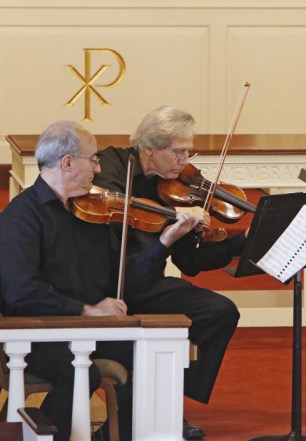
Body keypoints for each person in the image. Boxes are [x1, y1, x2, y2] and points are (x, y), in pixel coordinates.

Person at [0, 121, 201, 441]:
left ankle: (133, 435)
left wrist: (165, 241)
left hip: (87, 328)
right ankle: (45, 434)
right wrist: (86, 309)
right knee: (80, 372)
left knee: (155, 354)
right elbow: (20, 292)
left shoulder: (91, 213)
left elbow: (124, 277)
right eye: (92, 159)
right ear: (67, 162)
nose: (98, 167)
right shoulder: (21, 217)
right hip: (38, 330)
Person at [93, 106, 243, 440]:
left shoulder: (176, 185)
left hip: (148, 282)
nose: (185, 160)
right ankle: (148, 412)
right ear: (148, 148)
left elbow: (190, 262)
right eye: (178, 151)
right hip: (112, 284)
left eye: (189, 151)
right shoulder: (111, 170)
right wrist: (170, 225)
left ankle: (167, 401)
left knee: (219, 311)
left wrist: (239, 244)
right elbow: (119, 231)